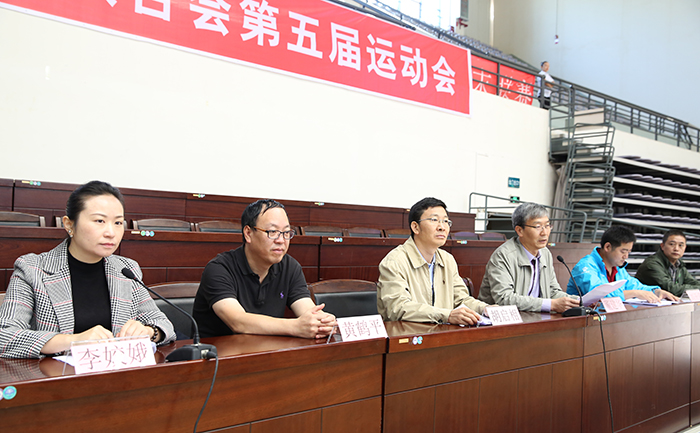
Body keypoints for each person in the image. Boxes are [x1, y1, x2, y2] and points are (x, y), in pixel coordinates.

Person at [0, 181, 175, 359]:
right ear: (69, 224)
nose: (111, 232)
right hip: (55, 374)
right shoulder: (32, 269)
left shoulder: (126, 269)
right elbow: (4, 335)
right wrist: (73, 341)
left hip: (117, 372)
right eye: (99, 221)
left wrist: (148, 331)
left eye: (117, 222)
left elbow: (163, 324)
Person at [193, 199, 335, 338]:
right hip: (218, 351)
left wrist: (323, 322)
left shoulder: (290, 267)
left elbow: (308, 310)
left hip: (267, 349)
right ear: (248, 233)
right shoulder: (219, 268)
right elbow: (238, 322)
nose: (281, 240)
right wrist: (295, 326)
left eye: (286, 232)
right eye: (272, 231)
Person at [377, 197, 487, 325]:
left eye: (445, 221)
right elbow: (398, 308)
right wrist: (446, 315)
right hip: (409, 334)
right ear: (415, 227)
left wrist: (485, 309)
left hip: (442, 333)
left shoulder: (447, 259)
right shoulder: (395, 262)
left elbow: (461, 300)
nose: (442, 227)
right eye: (434, 220)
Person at [478, 203, 579, 313]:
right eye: (538, 227)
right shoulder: (503, 256)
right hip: (502, 318)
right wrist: (550, 305)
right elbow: (504, 298)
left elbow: (552, 291)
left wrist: (580, 301)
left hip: (533, 316)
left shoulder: (545, 253)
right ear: (519, 230)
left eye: (547, 226)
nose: (544, 233)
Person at [567, 225, 679, 302]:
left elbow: (635, 285)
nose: (626, 256)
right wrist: (634, 293)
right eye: (623, 251)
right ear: (607, 247)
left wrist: (656, 291)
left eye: (628, 252)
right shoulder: (585, 266)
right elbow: (599, 296)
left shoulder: (618, 268)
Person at [633, 230, 699, 297]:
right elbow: (672, 289)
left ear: (685, 248)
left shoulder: (679, 265)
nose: (676, 249)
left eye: (681, 245)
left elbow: (694, 283)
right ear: (662, 246)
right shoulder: (652, 264)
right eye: (672, 244)